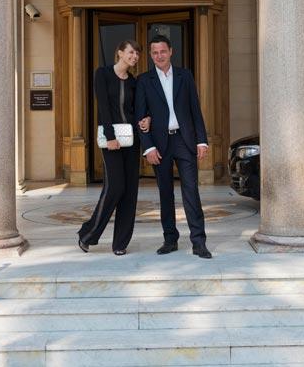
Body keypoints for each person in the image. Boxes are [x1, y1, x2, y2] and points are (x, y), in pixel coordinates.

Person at [134, 34, 212, 259]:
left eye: (163, 51)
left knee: (191, 192)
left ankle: (199, 242)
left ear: (171, 52)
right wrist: (148, 148)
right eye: (155, 52)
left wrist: (201, 140)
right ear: (151, 55)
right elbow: (141, 117)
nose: (159, 55)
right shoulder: (144, 80)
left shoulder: (184, 75)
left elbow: (194, 109)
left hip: (184, 141)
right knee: (165, 193)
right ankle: (170, 239)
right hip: (160, 144)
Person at [77, 40, 150, 255]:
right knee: (115, 186)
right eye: (131, 52)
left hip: (131, 140)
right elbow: (104, 107)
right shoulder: (103, 74)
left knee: (130, 192)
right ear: (119, 52)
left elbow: (138, 110)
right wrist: (110, 136)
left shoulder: (134, 82)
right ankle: (88, 233)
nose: (135, 56)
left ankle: (120, 243)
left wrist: (147, 119)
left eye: (137, 53)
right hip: (111, 141)